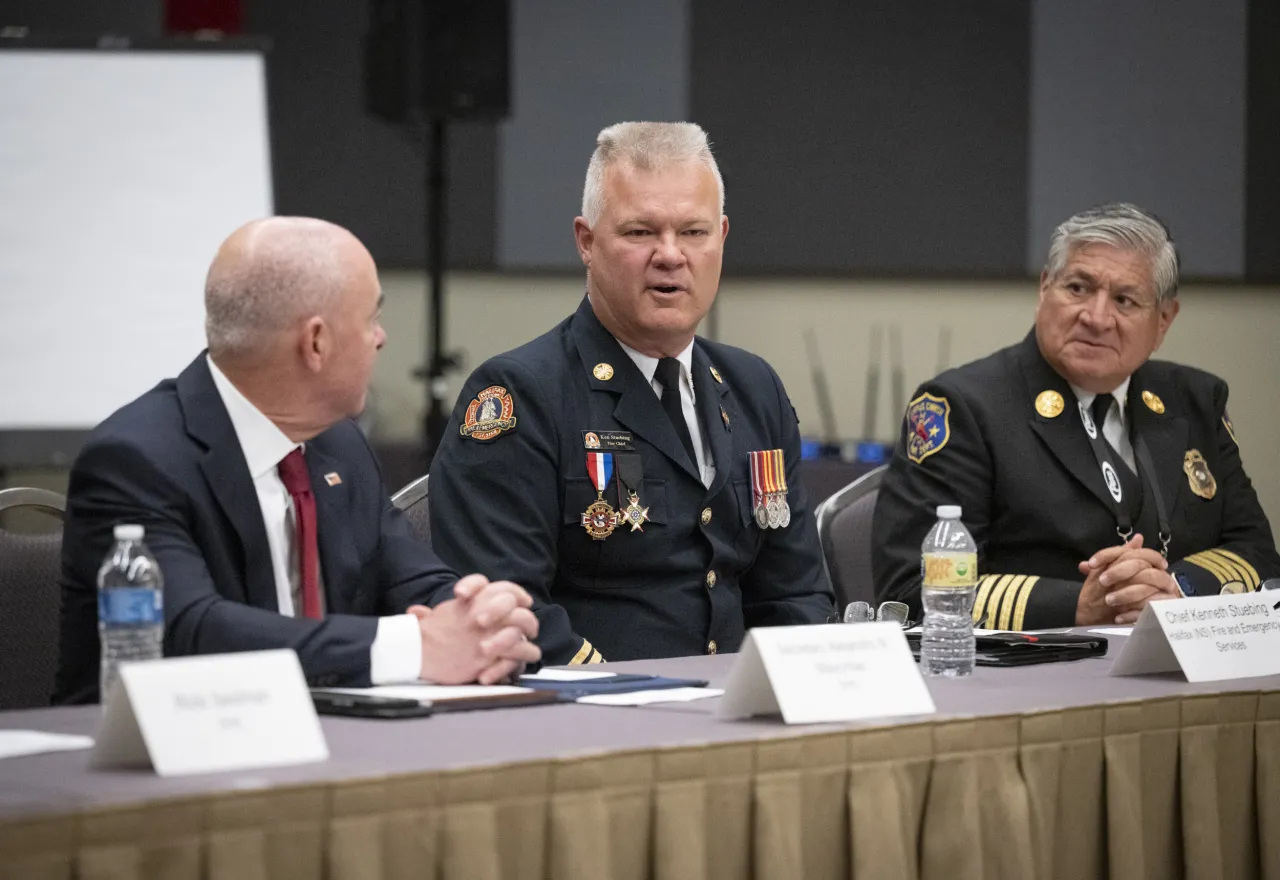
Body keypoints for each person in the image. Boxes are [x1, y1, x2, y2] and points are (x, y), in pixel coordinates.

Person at [54, 218, 540, 704]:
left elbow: (412, 578)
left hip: (333, 738)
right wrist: (415, 647)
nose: (380, 338)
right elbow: (188, 630)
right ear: (316, 343)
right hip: (158, 754)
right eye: (371, 318)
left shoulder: (339, 445)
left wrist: (480, 622)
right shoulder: (136, 459)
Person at [428, 122, 835, 665]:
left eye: (694, 232)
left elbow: (795, 593)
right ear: (586, 242)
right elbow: (508, 614)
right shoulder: (521, 395)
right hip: (596, 718)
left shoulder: (752, 388)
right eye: (641, 232)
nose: (670, 255)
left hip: (741, 714)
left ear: (722, 238)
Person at [873, 203, 1280, 628]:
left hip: (1177, 665)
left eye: (1124, 300)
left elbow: (1259, 553)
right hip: (1030, 675)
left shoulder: (1196, 400)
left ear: (1163, 320)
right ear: (1044, 289)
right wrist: (1077, 605)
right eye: (1079, 288)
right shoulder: (962, 407)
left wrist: (1175, 589)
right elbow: (908, 592)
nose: (1096, 317)